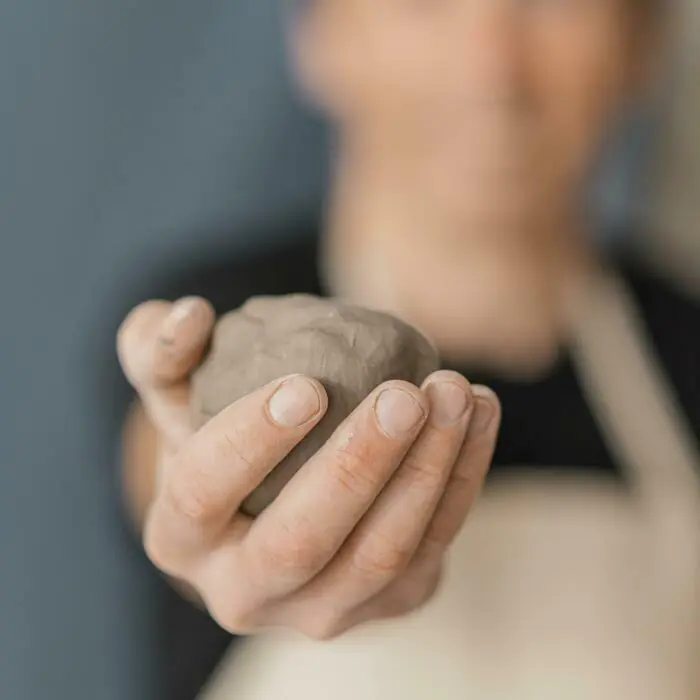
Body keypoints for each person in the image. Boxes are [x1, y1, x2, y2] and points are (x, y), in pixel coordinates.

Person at [115, 0, 700, 697]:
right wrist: (212, 514)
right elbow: (166, 456)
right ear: (321, 38)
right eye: (424, 5)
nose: (492, 71)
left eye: (554, 6)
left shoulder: (686, 352)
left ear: (641, 47)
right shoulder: (220, 319)